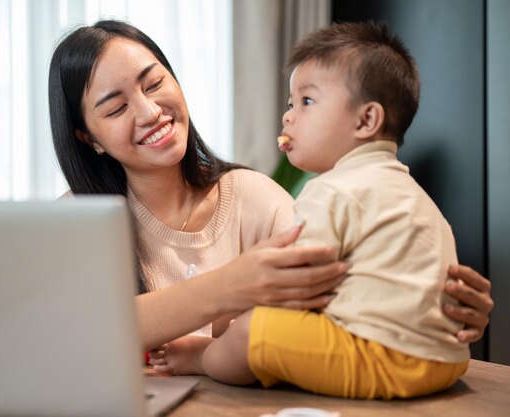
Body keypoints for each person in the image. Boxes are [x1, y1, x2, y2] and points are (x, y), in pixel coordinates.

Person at [47, 19, 493, 357]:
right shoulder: (74, 221)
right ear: (88, 138)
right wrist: (232, 285)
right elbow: (76, 334)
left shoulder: (251, 197)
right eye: (116, 107)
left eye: (155, 82)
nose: (148, 112)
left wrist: (431, 299)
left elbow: (344, 292)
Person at [149, 22, 490, 399]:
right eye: (290, 104)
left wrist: (230, 331)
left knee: (253, 332)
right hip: (448, 359)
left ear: (366, 120)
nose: (288, 117)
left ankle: (203, 358)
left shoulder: (333, 189)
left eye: (307, 102)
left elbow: (293, 287)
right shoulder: (408, 193)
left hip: (385, 357)